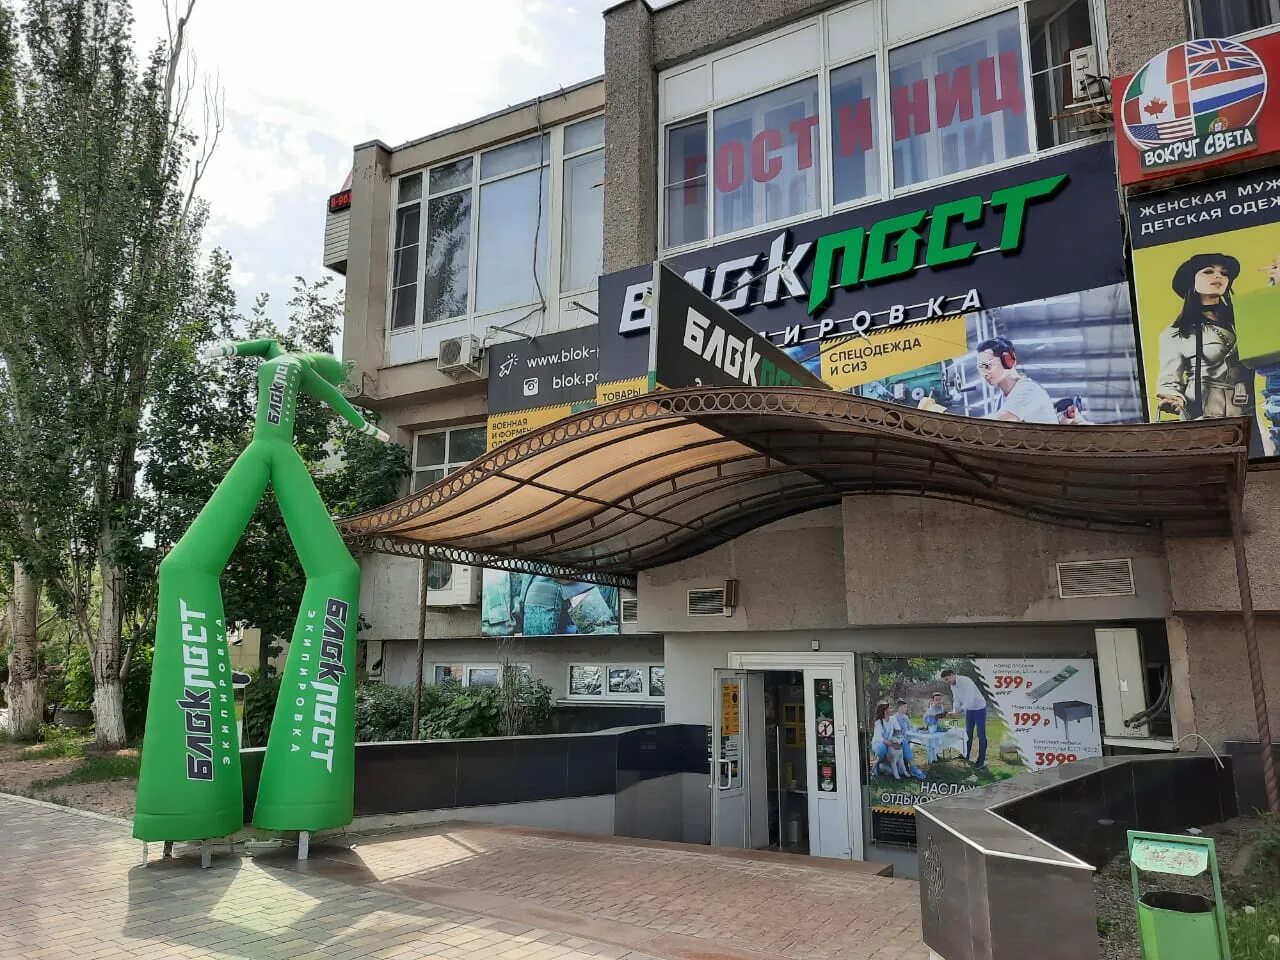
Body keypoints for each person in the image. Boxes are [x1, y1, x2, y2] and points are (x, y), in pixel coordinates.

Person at [1156, 254, 1254, 423]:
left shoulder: (1242, 321)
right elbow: (1169, 381)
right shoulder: (1177, 332)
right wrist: (1173, 398)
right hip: (1205, 411)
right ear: (1191, 281)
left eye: (1224, 273)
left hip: (1246, 407)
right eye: (1208, 271)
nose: (1218, 276)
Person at [975, 337, 1057, 423]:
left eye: (987, 366)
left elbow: (1003, 421)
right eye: (981, 369)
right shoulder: (1000, 401)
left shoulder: (1029, 389)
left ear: (1008, 360)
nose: (984, 374)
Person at [942, 668, 989, 770]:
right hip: (969, 710)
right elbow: (956, 700)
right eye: (945, 680)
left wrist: (959, 712)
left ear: (953, 675)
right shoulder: (952, 685)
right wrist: (954, 711)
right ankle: (965, 755)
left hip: (979, 708)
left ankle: (981, 761)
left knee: (981, 734)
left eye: (947, 679)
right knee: (968, 733)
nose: (947, 682)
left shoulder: (966, 681)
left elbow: (969, 700)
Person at [894, 699, 928, 780]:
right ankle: (913, 768)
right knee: (905, 742)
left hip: (907, 737)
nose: (906, 709)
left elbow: (909, 728)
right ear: (899, 707)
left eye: (906, 707)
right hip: (899, 739)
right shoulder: (895, 718)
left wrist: (918, 728)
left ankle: (911, 767)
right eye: (904, 707)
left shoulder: (905, 717)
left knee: (917, 738)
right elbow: (896, 732)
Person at [869, 703, 903, 778]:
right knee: (882, 748)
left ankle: (906, 766)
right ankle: (874, 765)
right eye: (890, 708)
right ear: (885, 711)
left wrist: (898, 742)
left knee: (891, 772)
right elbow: (879, 738)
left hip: (890, 743)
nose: (892, 709)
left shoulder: (893, 719)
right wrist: (893, 745)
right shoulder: (878, 722)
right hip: (878, 744)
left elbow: (898, 730)